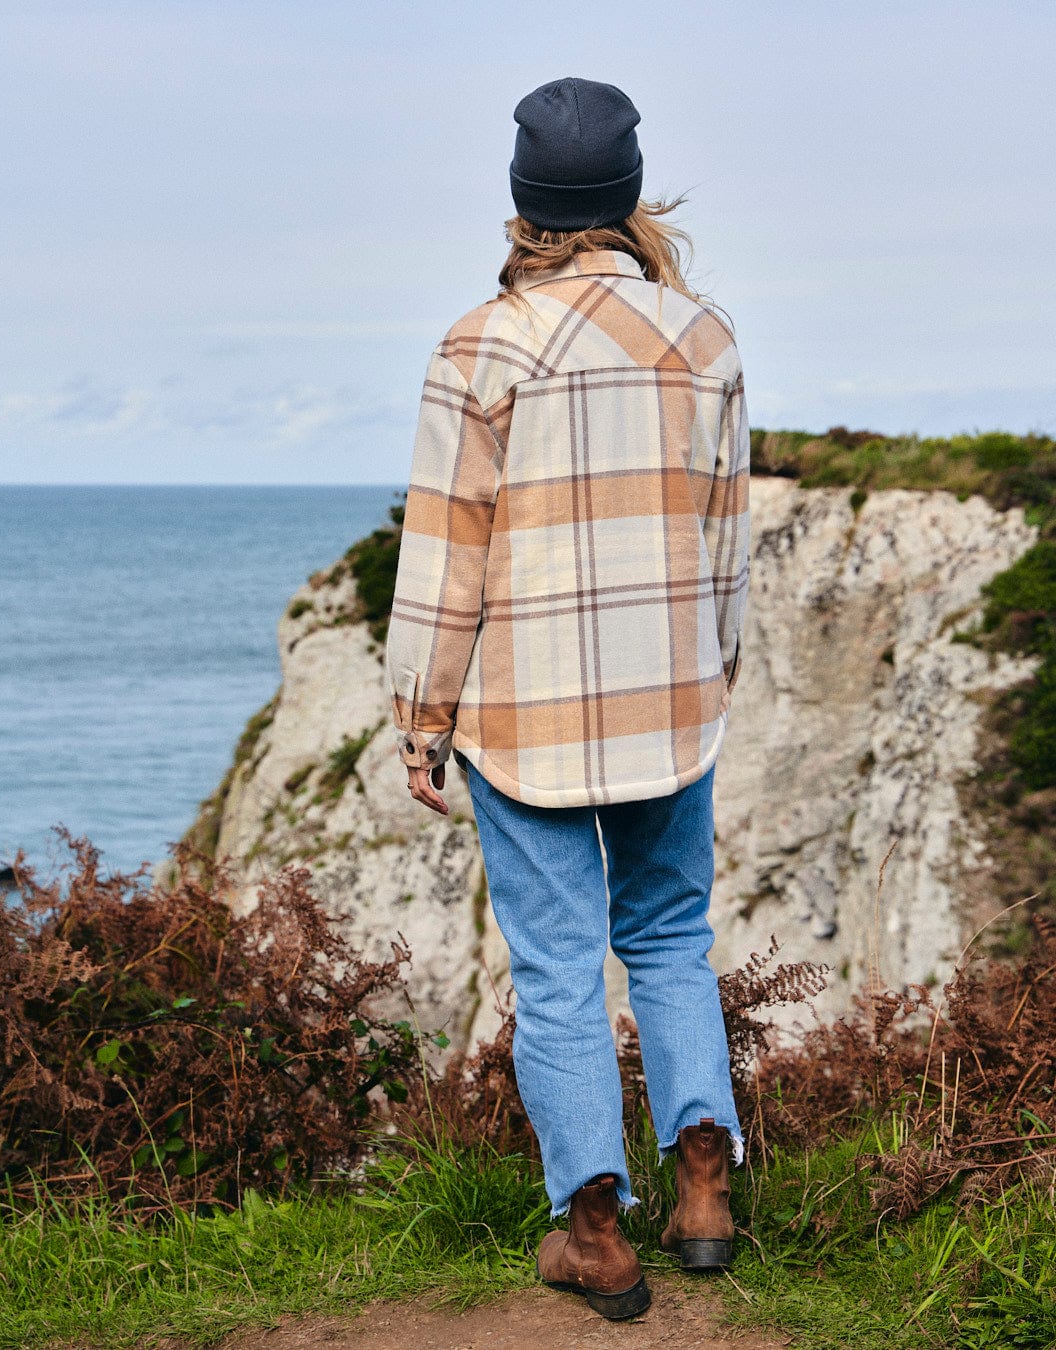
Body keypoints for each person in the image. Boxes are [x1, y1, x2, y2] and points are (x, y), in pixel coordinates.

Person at [384, 76, 750, 1322]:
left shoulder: (480, 346)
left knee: (555, 969)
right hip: (672, 701)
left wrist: (419, 719)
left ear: (524, 201)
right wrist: (721, 675)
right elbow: (726, 543)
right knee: (670, 940)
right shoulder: (707, 337)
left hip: (525, 717)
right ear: (628, 195)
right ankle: (705, 1188)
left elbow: (445, 555)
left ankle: (596, 1234)